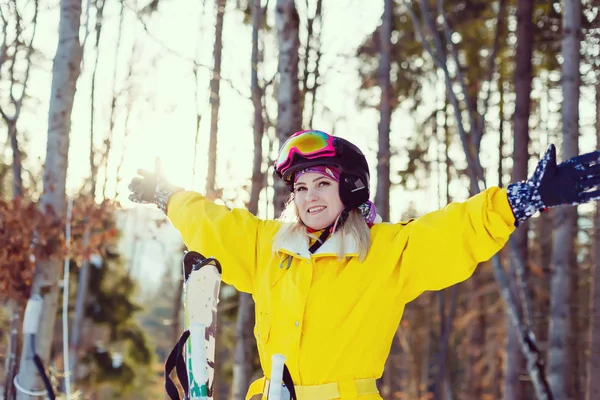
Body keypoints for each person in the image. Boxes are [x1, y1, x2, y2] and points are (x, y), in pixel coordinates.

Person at [128, 129, 600, 399]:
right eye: (300, 188)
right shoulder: (269, 247)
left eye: (321, 185)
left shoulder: (385, 252)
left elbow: (452, 233)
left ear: (350, 187)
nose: (309, 197)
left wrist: (519, 201)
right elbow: (215, 223)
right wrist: (168, 195)